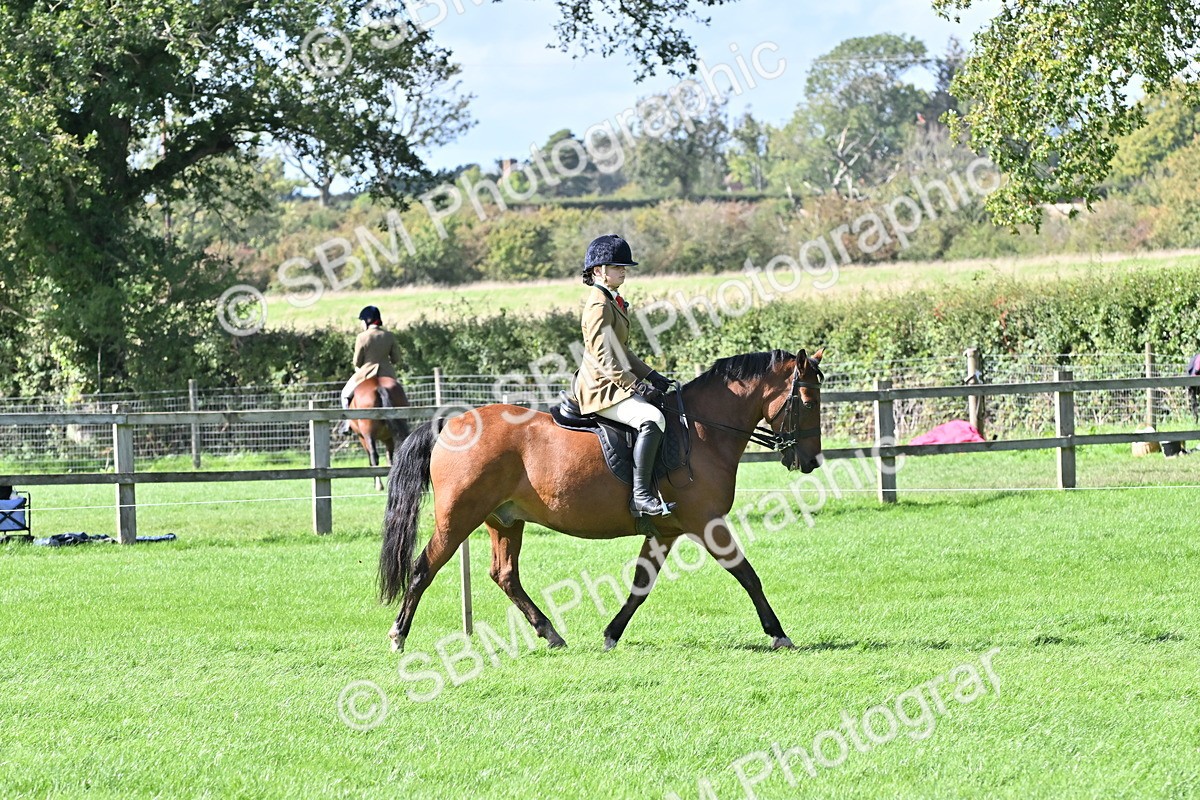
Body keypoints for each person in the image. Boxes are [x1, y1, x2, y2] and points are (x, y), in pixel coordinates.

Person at [572, 234, 676, 517]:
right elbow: (604, 357)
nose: (624, 270)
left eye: (624, 266)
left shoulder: (612, 301)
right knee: (652, 418)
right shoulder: (598, 305)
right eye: (617, 266)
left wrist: (652, 375)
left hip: (614, 383)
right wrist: (637, 388)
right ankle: (640, 496)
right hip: (601, 388)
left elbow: (621, 351)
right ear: (598, 271)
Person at [338, 306, 402, 435]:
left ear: (368, 320)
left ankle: (347, 424)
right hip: (387, 374)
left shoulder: (362, 337)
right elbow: (396, 359)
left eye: (362, 320)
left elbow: (357, 361)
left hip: (366, 375)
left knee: (345, 394)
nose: (361, 323)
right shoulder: (389, 336)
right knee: (399, 393)